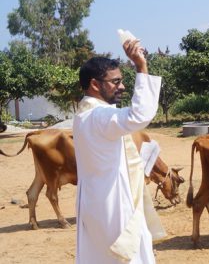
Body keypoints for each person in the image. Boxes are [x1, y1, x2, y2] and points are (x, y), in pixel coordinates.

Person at [73, 39, 162, 264]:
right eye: (116, 82)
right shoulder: (99, 117)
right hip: (116, 207)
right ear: (95, 84)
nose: (122, 87)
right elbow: (138, 115)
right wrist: (141, 67)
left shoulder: (85, 115)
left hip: (96, 205)